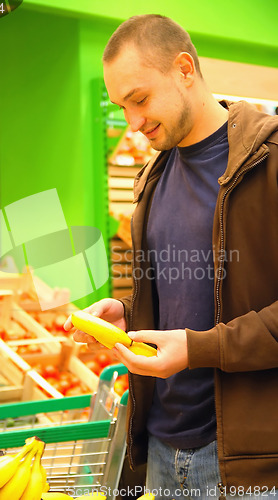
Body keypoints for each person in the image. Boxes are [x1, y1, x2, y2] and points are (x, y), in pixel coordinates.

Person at [65, 14, 278, 500]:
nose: (133, 123)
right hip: (162, 449)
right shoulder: (152, 179)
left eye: (139, 99)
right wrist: (127, 312)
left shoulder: (270, 159)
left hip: (249, 462)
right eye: (122, 106)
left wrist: (198, 349)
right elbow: (181, 295)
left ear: (185, 69)